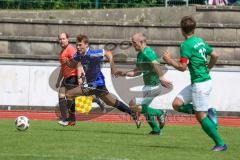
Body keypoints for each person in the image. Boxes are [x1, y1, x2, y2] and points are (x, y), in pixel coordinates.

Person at [162, 16, 227, 151]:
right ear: (194, 28)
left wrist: (169, 61)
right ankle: (208, 111)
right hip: (202, 82)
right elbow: (215, 55)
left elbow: (182, 67)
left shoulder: (185, 45)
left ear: (181, 29)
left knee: (200, 116)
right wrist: (208, 68)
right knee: (176, 104)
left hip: (200, 84)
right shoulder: (199, 40)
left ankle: (220, 144)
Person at [64, 34, 140, 128]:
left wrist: (113, 67)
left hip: (96, 83)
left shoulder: (93, 53)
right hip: (96, 85)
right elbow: (72, 64)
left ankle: (71, 120)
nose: (78, 47)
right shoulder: (78, 55)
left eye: (80, 45)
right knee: (111, 102)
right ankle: (133, 114)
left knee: (69, 94)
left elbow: (108, 53)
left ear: (86, 45)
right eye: (77, 45)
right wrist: (67, 62)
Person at [115, 32, 172, 135]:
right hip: (148, 86)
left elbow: (156, 64)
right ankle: (156, 130)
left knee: (133, 103)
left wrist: (161, 77)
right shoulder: (140, 54)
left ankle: (160, 112)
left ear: (141, 42)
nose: (133, 45)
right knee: (145, 109)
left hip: (154, 86)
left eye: (134, 42)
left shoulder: (147, 52)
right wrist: (123, 73)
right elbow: (138, 71)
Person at [56, 32, 105, 126]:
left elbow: (78, 63)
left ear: (67, 39)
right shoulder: (62, 52)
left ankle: (67, 119)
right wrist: (58, 81)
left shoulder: (70, 49)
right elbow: (63, 68)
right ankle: (66, 118)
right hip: (66, 77)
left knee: (70, 96)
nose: (61, 41)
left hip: (73, 76)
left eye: (63, 39)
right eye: (60, 39)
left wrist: (79, 77)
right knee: (62, 95)